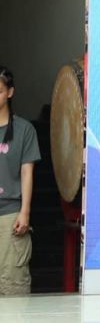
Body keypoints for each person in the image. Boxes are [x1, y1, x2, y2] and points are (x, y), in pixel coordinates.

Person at [0, 67, 39, 297]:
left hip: (10, 216)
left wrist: (25, 212)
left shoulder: (25, 130)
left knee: (13, 288)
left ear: (10, 92)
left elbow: (27, 172)